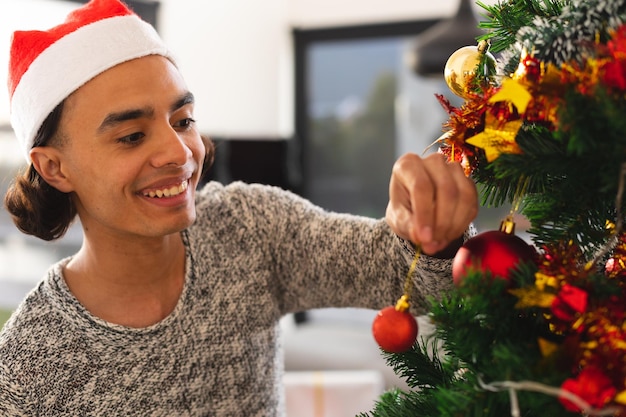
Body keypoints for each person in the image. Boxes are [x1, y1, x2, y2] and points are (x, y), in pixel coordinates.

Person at [0, 0, 478, 415]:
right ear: (54, 168)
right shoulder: (28, 363)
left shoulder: (248, 226)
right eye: (131, 136)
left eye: (182, 119)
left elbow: (413, 280)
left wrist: (429, 227)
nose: (180, 152)